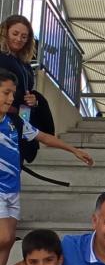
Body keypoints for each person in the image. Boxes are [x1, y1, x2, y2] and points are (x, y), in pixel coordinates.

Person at [0, 69, 93, 265]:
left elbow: (43, 137)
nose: (11, 98)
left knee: (8, 241)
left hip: (13, 190)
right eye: (6, 93)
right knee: (4, 236)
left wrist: (74, 150)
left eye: (12, 93)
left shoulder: (15, 121)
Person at [0, 14, 55, 162]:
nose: (19, 39)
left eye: (24, 36)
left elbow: (27, 89)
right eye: (15, 34)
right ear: (5, 32)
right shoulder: (2, 57)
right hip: (6, 119)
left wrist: (34, 100)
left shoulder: (24, 63)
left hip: (21, 119)